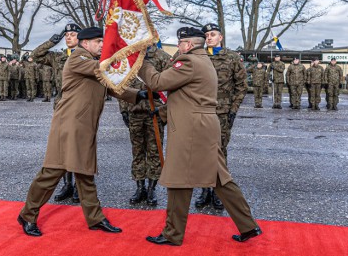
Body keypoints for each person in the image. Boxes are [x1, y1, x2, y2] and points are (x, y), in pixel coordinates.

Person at [138, 27, 262, 246]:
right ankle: (248, 225)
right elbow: (188, 96)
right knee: (219, 178)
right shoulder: (203, 60)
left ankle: (172, 234)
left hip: (191, 129)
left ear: (189, 45)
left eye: (180, 43)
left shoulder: (188, 62)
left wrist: (141, 62)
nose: (178, 46)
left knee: (179, 179)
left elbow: (157, 82)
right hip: (203, 126)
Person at [18, 27, 144, 237]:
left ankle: (95, 218)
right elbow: (103, 69)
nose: (102, 45)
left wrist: (138, 95)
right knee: (52, 173)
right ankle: (27, 215)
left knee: (85, 174)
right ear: (85, 44)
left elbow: (111, 86)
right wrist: (123, 55)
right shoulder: (78, 58)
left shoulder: (91, 63)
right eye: (98, 42)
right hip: (69, 126)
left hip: (84, 127)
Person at [194, 23, 247, 210]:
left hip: (222, 114)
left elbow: (241, 85)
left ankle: (218, 191)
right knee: (201, 152)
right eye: (207, 35)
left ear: (220, 38)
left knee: (220, 152)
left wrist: (233, 110)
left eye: (213, 34)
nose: (209, 37)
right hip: (200, 112)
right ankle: (204, 190)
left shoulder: (231, 58)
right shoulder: (197, 56)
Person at [32, 23, 81, 202]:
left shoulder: (88, 56)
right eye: (66, 34)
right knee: (61, 148)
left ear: (80, 38)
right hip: (61, 107)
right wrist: (53, 40)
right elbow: (35, 55)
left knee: (78, 147)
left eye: (73, 34)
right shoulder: (58, 58)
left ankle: (78, 186)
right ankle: (67, 184)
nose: (68, 37)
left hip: (79, 108)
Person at [119, 45, 170, 206]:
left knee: (155, 152)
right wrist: (123, 110)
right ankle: (139, 187)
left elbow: (172, 84)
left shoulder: (162, 57)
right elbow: (121, 83)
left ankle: (151, 189)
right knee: (138, 151)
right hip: (134, 111)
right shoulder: (128, 56)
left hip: (155, 112)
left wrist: (165, 111)